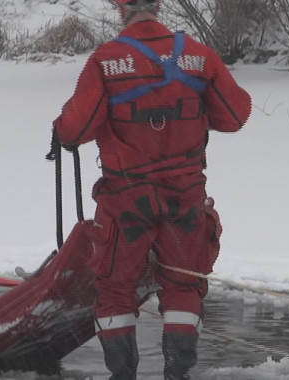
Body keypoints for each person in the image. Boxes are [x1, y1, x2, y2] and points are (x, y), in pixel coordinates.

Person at [50, 0, 251, 378]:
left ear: (120, 10)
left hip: (126, 203)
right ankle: (177, 372)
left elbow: (75, 131)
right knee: (183, 285)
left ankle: (123, 375)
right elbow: (236, 114)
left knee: (115, 290)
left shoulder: (106, 61)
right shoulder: (198, 55)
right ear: (158, 8)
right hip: (185, 198)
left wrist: (60, 128)